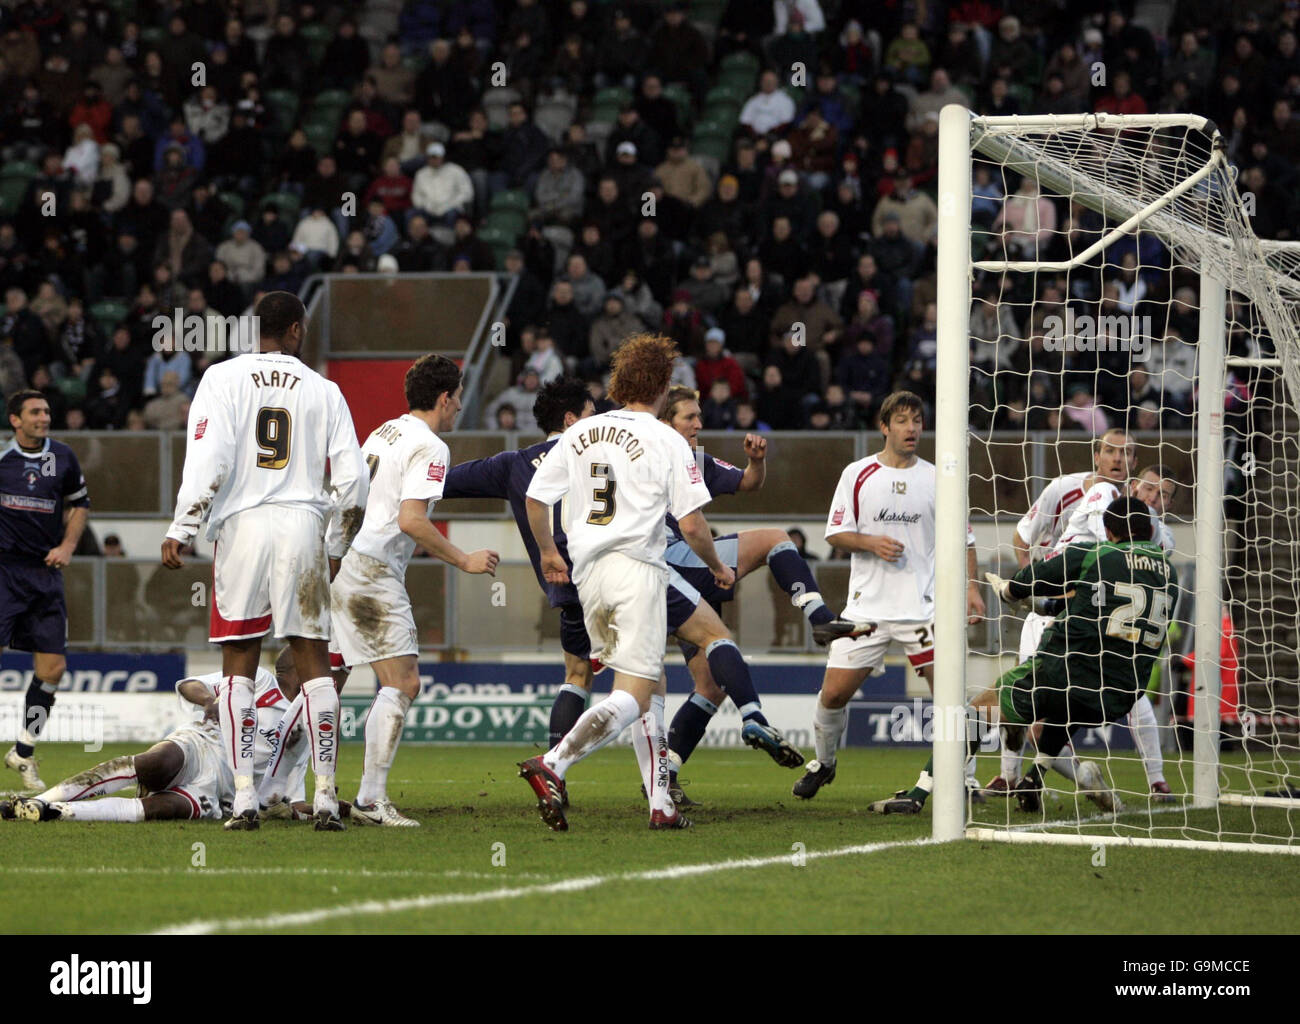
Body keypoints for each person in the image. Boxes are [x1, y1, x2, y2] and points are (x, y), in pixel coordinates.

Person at [160, 291, 367, 832]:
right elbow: (353, 480)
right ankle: (324, 798)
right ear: (296, 330)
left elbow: (209, 457)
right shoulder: (325, 390)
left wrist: (182, 526)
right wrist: (337, 547)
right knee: (314, 665)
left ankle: (246, 799)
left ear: (257, 330)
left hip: (243, 527)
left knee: (238, 667)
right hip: (303, 525)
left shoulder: (222, 378)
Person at [518, 335, 730, 831]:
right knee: (633, 692)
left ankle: (661, 803)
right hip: (637, 569)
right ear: (660, 385)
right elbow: (694, 525)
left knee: (650, 684)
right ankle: (555, 762)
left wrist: (550, 551)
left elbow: (535, 497)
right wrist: (718, 567)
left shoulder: (581, 433)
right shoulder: (665, 439)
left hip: (590, 575)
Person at [656, 387, 861, 798]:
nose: (699, 424)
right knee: (775, 539)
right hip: (675, 560)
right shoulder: (667, 456)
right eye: (689, 417)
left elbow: (749, 483)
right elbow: (694, 527)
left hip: (656, 579)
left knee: (710, 685)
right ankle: (820, 620)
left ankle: (667, 775)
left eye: (699, 416)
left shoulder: (693, 458)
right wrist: (716, 566)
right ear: (665, 422)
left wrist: (756, 461)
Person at [792, 391, 984, 807]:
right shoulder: (857, 474)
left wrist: (970, 587)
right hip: (868, 609)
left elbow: (965, 539)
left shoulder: (939, 477)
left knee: (951, 696)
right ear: (885, 426)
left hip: (925, 607)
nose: (912, 428)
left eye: (917, 420)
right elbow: (835, 533)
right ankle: (824, 763)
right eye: (902, 420)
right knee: (833, 696)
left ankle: (964, 779)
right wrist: (870, 543)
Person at [330, 356, 499, 827]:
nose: (460, 405)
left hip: (341, 559)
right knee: (403, 683)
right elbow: (411, 520)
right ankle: (370, 798)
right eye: (459, 396)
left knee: (326, 679)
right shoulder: (431, 446)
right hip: (372, 568)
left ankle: (273, 788)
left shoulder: (385, 430)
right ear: (445, 398)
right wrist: (464, 558)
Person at [980, 497, 1179, 813]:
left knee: (975, 713)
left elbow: (1035, 576)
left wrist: (1010, 592)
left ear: (1108, 531)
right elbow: (1104, 609)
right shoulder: (1170, 574)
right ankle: (1033, 778)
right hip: (1118, 695)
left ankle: (929, 786)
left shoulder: (1095, 554)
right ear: (1151, 530)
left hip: (1071, 675)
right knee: (1067, 707)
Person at [985, 428, 1136, 793]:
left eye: (1127, 453)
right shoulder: (1064, 488)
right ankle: (1014, 778)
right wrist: (1034, 583)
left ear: (1134, 462)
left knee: (1044, 710)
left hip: (1082, 620)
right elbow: (1022, 538)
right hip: (1046, 613)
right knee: (1023, 704)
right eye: (1111, 451)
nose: (1118, 459)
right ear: (1096, 455)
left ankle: (1037, 779)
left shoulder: (1128, 507)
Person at [4, 650, 320, 823]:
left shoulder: (302, 719)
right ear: (297, 669)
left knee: (162, 810)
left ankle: (55, 813)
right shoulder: (258, 680)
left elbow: (290, 789)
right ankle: (39, 800)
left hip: (224, 788)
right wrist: (209, 700)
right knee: (158, 762)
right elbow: (188, 684)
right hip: (203, 744)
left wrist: (319, 807)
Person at [2, 388, 91, 792]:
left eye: (47, 411)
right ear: (15, 420)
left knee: (52, 669)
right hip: (5, 572)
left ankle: (23, 750)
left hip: (45, 575)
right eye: (35, 412)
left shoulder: (65, 458)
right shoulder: (3, 461)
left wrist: (68, 545)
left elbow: (80, 504)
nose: (44, 417)